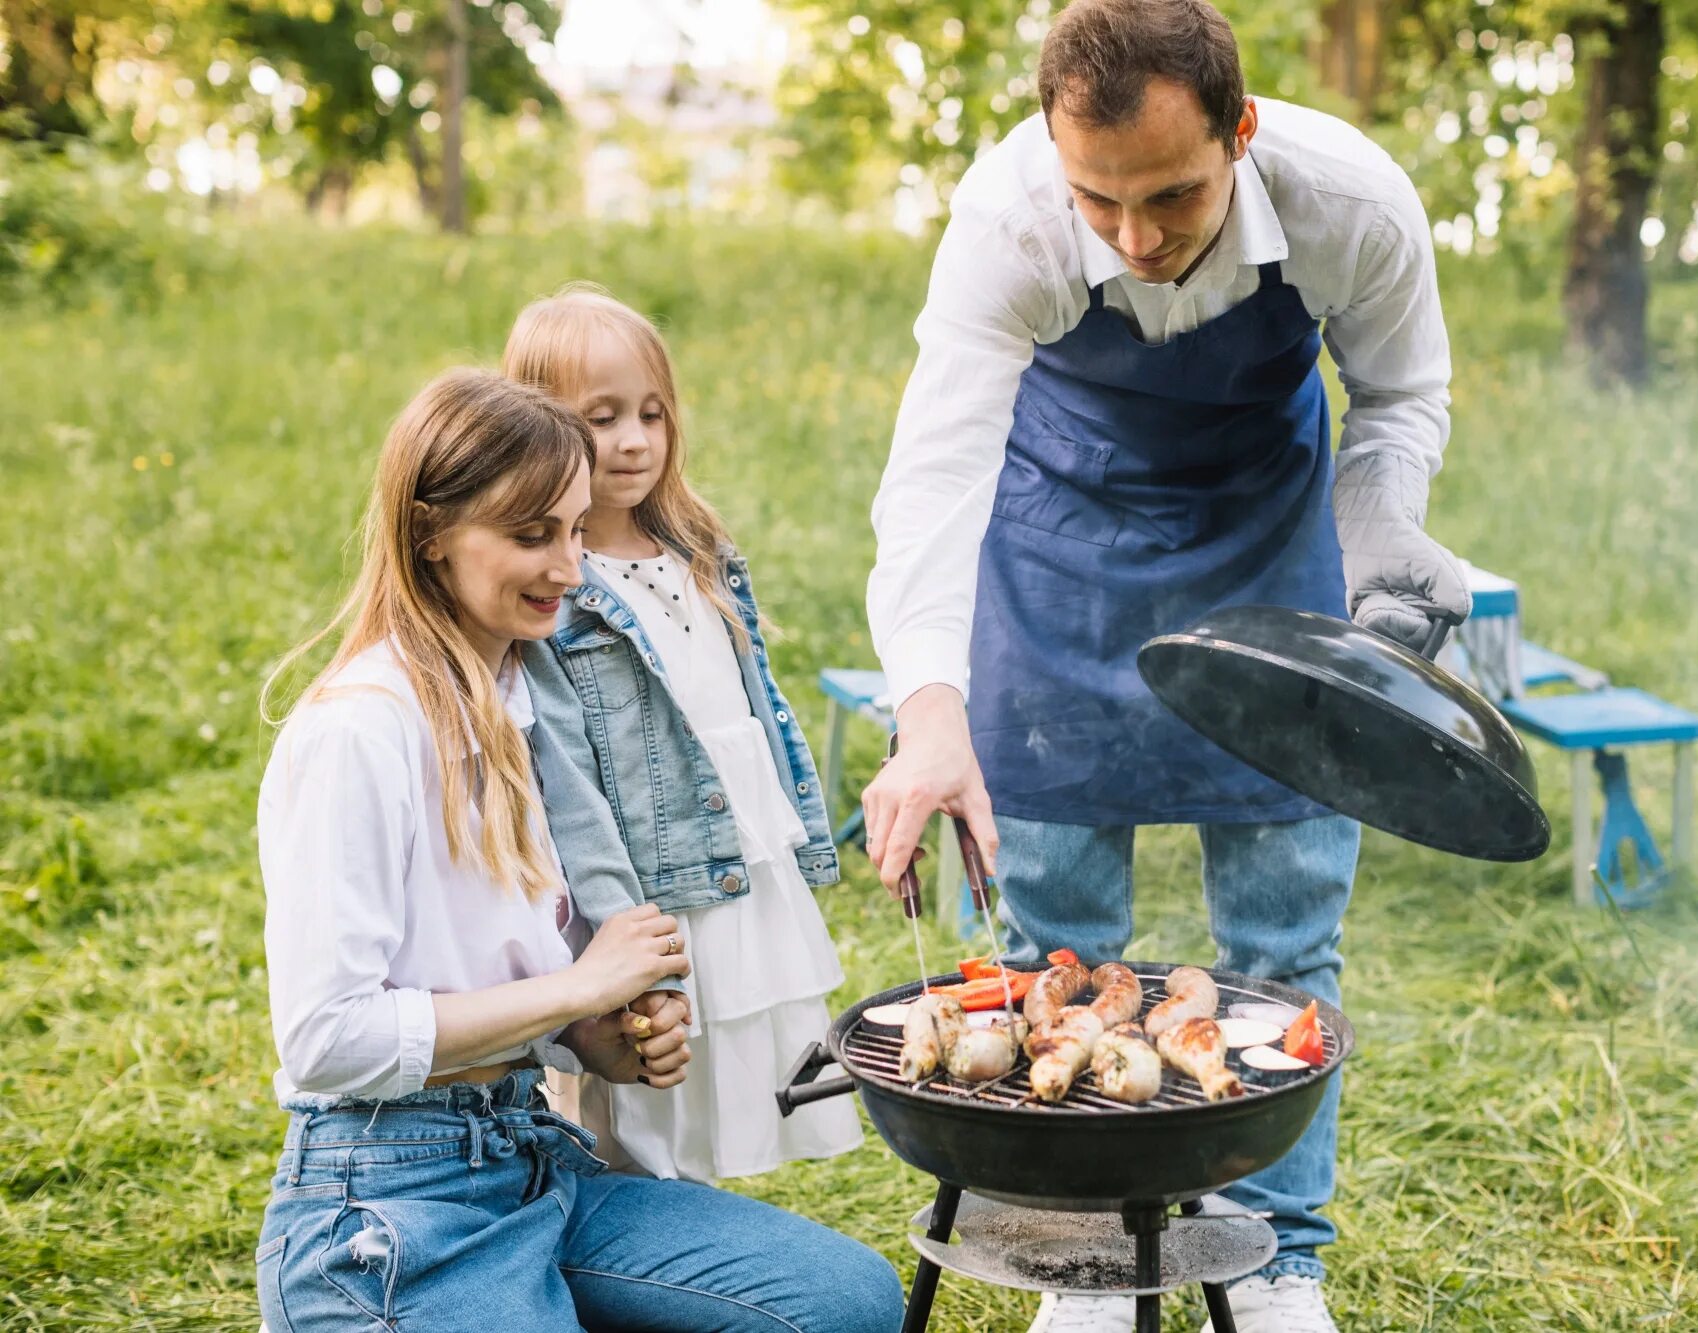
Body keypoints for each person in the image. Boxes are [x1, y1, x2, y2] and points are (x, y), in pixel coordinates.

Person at [861, 2, 1468, 1329]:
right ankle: (1081, 1252)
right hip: (1056, 553)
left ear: (1240, 134)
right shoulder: (1007, 221)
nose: (1135, 237)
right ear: (1051, 155)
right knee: (1056, 938)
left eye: (1175, 195)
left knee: (1288, 937)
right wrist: (928, 710)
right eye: (1100, 202)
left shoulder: (1351, 203)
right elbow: (938, 474)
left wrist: (1376, 538)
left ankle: (1278, 1260)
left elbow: (1402, 396)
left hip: (1271, 543)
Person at [255, 367, 903, 1332]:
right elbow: (325, 1038)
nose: (569, 566)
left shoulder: (525, 707)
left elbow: (487, 972)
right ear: (430, 534)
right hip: (384, 1197)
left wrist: (586, 1042)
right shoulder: (358, 730)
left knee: (843, 1302)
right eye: (530, 536)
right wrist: (579, 990)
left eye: (573, 529)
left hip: (533, 1159)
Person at [506, 285, 863, 1183]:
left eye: (650, 414)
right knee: (641, 1105)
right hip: (648, 889)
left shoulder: (698, 549)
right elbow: (568, 780)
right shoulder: (563, 587)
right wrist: (617, 926)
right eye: (600, 418)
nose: (632, 440)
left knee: (734, 1072)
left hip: (738, 861)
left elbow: (745, 715)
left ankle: (715, 1250)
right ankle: (637, 1255)